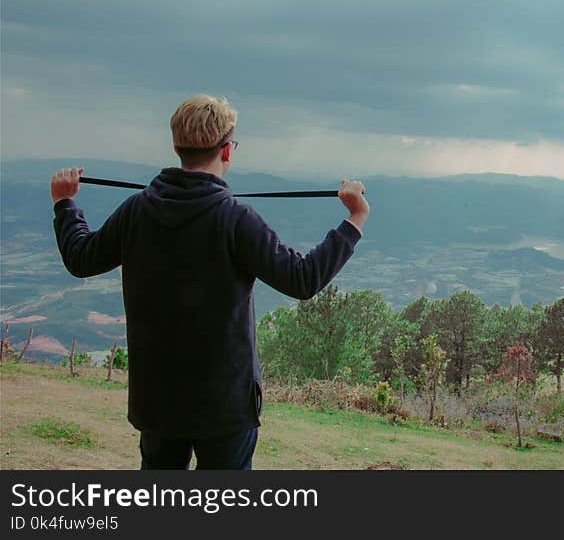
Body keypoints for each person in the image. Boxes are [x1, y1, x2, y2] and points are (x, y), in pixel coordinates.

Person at [50, 94, 369, 470]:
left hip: (157, 400)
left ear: (175, 146)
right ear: (227, 152)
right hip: (225, 404)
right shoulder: (236, 219)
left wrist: (65, 204)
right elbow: (303, 279)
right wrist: (354, 219)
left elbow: (81, 258)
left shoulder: (137, 211)